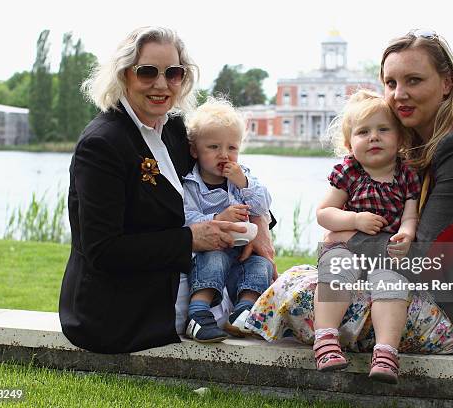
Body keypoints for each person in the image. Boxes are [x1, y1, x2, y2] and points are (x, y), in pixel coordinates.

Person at [247, 29, 453, 377]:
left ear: (446, 82)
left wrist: (350, 238)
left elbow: (429, 260)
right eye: (391, 82)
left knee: (296, 291)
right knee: (324, 278)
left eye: (413, 80)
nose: (399, 94)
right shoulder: (422, 140)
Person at [59, 26, 275, 354]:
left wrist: (260, 224)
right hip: (119, 307)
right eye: (147, 72)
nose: (161, 84)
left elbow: (222, 177)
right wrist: (191, 239)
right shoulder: (102, 144)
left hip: (187, 278)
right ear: (124, 75)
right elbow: (102, 251)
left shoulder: (174, 129)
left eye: (173, 73)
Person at [313, 90, 420, 383]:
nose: (374, 137)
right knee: (337, 267)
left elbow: (410, 215)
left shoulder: (406, 174)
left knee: (392, 282)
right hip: (347, 247)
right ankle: (325, 339)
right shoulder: (351, 172)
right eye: (363, 132)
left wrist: (406, 233)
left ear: (400, 138)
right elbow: (324, 213)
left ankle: (386, 352)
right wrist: (355, 219)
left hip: (383, 254)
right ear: (350, 144)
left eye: (383, 129)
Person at [182, 97, 274, 342]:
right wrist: (216, 218)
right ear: (195, 150)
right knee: (213, 259)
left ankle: (244, 313)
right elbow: (186, 218)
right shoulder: (191, 184)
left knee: (261, 266)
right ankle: (198, 312)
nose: (224, 155)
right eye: (213, 147)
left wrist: (243, 182)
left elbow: (263, 204)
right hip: (209, 250)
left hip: (242, 251)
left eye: (231, 148)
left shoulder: (242, 177)